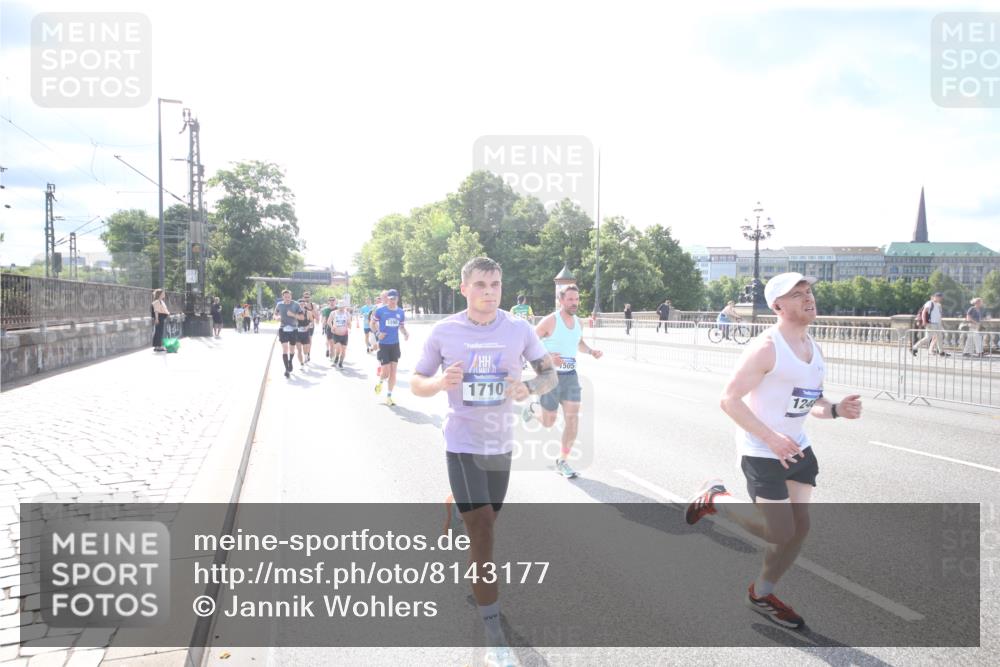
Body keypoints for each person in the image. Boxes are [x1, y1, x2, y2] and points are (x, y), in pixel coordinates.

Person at [685, 272, 862, 630]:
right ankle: (716, 498)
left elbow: (810, 400)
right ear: (777, 306)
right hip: (761, 450)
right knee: (778, 532)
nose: (807, 298)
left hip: (797, 447)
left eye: (808, 291)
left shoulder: (813, 348)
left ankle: (762, 593)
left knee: (799, 529)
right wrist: (770, 438)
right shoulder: (766, 348)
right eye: (797, 294)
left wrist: (835, 410)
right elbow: (729, 400)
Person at [410, 257, 557, 666]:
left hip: (500, 444)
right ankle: (493, 631)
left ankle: (456, 504)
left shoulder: (519, 329)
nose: (489, 292)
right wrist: (439, 382)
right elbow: (416, 382)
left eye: (495, 284)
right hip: (462, 442)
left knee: (489, 516)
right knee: (485, 532)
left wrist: (528, 388)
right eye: (480, 285)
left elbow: (549, 377)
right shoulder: (444, 331)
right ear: (464, 288)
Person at [523, 284, 603, 479]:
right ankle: (533, 411)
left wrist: (591, 351)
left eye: (576, 299)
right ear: (561, 300)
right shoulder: (550, 321)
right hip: (549, 376)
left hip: (570, 377)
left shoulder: (579, 323)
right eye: (570, 299)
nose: (574, 303)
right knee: (549, 422)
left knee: (573, 419)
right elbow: (529, 343)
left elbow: (578, 343)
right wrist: (548, 356)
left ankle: (562, 460)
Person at [372, 289, 409, 406]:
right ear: (387, 299)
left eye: (394, 298)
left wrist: (405, 333)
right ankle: (380, 381)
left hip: (395, 344)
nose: (392, 301)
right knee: (386, 372)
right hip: (384, 344)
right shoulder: (380, 311)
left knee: (393, 373)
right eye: (390, 298)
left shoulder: (401, 312)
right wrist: (378, 334)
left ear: (398, 298)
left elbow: (401, 326)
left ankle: (389, 396)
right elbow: (372, 324)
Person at [274, 290, 304, 379]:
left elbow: (302, 317)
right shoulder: (279, 304)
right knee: (285, 349)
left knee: (292, 349)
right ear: (283, 297)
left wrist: (293, 314)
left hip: (293, 329)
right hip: (283, 328)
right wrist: (277, 317)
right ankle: (286, 369)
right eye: (285, 296)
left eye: (289, 296)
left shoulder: (296, 305)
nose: (287, 298)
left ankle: (290, 361)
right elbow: (274, 315)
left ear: (291, 296)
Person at [912, 291, 946, 357]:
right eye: (939, 297)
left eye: (941, 297)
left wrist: (940, 324)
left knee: (939, 337)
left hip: (937, 324)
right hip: (931, 323)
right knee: (927, 338)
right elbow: (924, 312)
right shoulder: (929, 303)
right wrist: (924, 321)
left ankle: (941, 352)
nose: (940, 299)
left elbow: (938, 315)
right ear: (935, 297)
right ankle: (914, 347)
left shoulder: (938, 305)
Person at [296, 291, 319, 365]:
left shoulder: (313, 305)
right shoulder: (300, 304)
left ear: (310, 297)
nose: (306, 298)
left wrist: (311, 310)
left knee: (309, 340)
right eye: (305, 297)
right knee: (302, 342)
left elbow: (316, 315)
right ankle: (305, 354)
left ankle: (308, 353)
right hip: (300, 326)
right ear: (303, 297)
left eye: (308, 297)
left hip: (309, 324)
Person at [328, 300, 352, 369]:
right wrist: (332, 327)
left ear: (344, 307)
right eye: (340, 307)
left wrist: (349, 326)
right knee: (338, 349)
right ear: (338, 306)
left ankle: (340, 363)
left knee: (344, 350)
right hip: (336, 334)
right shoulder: (333, 313)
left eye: (342, 307)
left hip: (345, 334)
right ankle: (336, 358)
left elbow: (349, 323)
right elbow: (329, 321)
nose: (341, 308)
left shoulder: (347, 313)